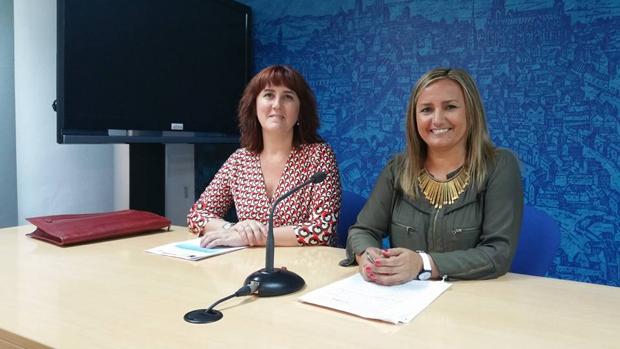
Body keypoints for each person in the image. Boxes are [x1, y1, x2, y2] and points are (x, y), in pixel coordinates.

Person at [343, 68, 523, 284]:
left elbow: (498, 254)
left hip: (471, 301)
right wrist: (368, 257)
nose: (437, 120)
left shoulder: (499, 165)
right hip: (402, 300)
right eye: (426, 110)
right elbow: (362, 230)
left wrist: (422, 264)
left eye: (450, 107)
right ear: (415, 118)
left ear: (471, 112)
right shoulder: (397, 168)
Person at [188, 65, 341, 248]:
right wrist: (233, 229)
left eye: (288, 97)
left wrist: (252, 237)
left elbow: (322, 230)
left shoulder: (319, 156)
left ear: (300, 110)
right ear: (255, 106)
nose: (277, 104)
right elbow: (197, 215)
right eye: (269, 95)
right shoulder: (240, 160)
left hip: (305, 268)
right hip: (250, 266)